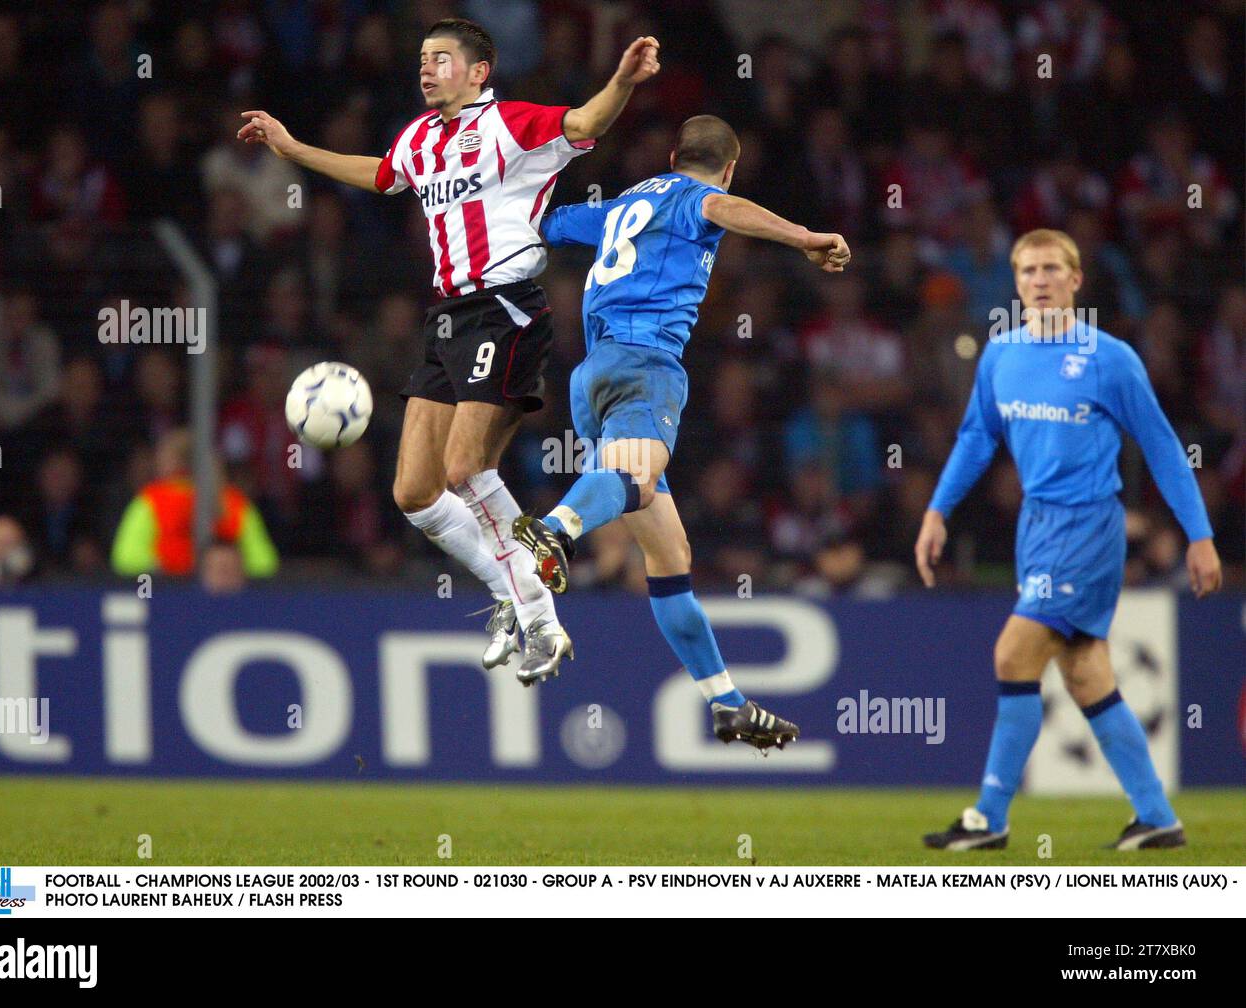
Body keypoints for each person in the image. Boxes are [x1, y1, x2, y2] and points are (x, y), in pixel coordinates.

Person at [236, 18, 661, 683]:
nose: (426, 69)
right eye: (423, 58)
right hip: (448, 319)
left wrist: (622, 81)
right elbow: (379, 175)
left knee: (465, 465)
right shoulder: (418, 138)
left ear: (478, 71)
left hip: (507, 308)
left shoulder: (511, 127)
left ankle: (541, 619)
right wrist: (293, 148)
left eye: (440, 59)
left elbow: (585, 122)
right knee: (413, 491)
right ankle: (510, 597)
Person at [512, 114, 850, 743]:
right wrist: (803, 237)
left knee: (669, 556)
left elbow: (550, 225)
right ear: (728, 168)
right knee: (638, 477)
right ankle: (554, 529)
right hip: (645, 366)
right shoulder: (702, 198)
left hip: (591, 375)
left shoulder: (622, 205)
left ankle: (725, 700)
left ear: (672, 154)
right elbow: (727, 211)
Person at [914, 228, 1222, 850]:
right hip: (1037, 526)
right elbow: (977, 438)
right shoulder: (1001, 355)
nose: (1041, 281)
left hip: (1087, 526)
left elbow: (1162, 445)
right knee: (1085, 675)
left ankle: (989, 817)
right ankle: (1157, 817)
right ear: (1017, 283)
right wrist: (937, 510)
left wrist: (1200, 535)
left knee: (1012, 654)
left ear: (1077, 280)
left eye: (1053, 269)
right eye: (1028, 271)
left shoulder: (1110, 359)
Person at [111, 429, 278, 580]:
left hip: (169, 600)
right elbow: (263, 565)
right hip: (222, 602)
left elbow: (127, 560)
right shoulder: (237, 503)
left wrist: (170, 575)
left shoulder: (151, 501)